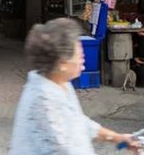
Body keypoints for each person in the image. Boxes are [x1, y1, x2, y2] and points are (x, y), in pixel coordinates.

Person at [9, 18, 137, 154]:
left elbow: (77, 122)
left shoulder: (59, 82)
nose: (83, 58)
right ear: (62, 63)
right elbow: (64, 149)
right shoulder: (44, 99)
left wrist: (117, 138)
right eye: (79, 54)